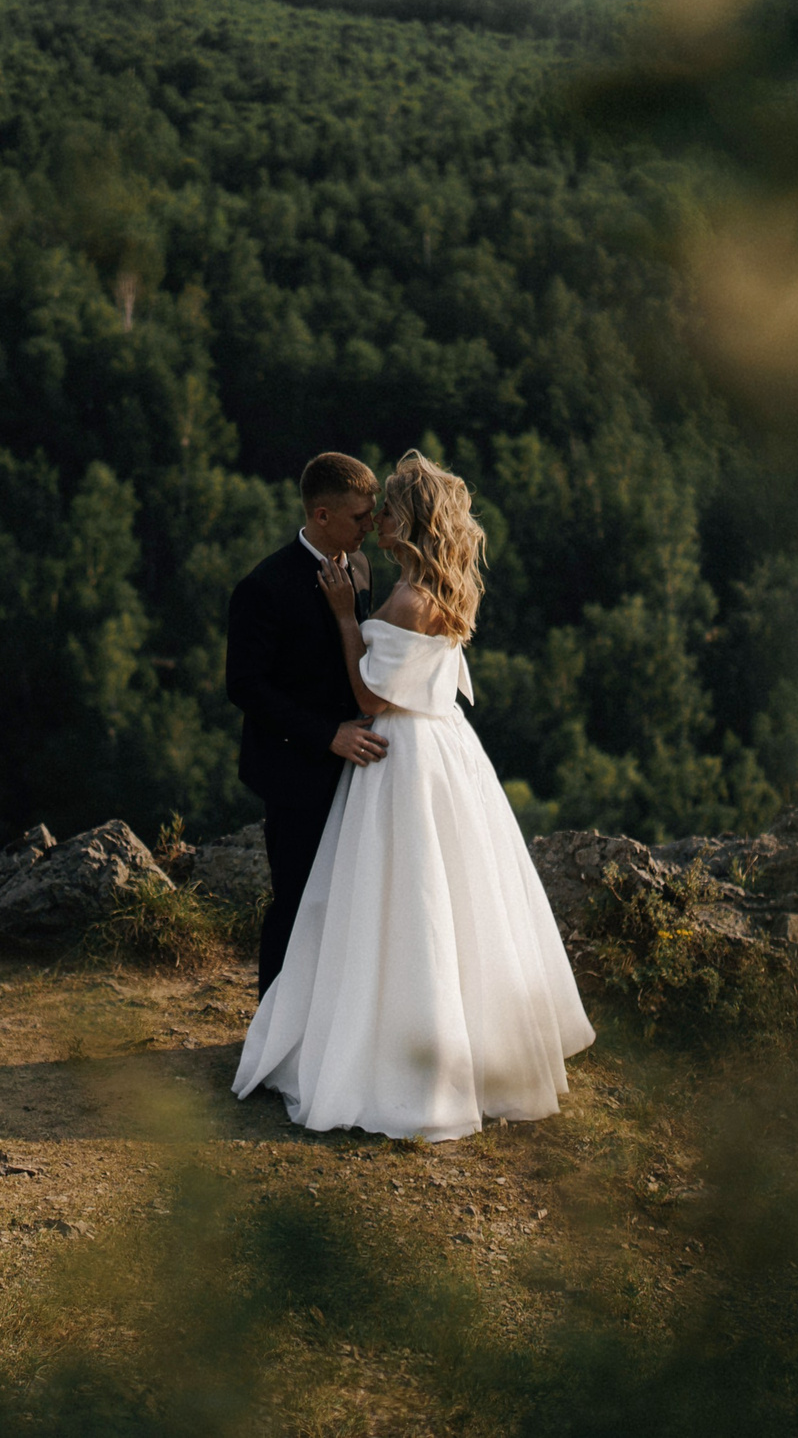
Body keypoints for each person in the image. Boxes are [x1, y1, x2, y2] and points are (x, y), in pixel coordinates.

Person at [232, 450, 594, 1142]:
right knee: (451, 900)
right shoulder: (442, 585)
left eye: (386, 512)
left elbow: (370, 693)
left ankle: (383, 1053)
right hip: (442, 747)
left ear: (410, 521)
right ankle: (457, 1044)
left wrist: (344, 618)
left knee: (395, 902)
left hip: (400, 753)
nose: (376, 524)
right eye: (369, 513)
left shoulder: (398, 595)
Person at [226, 451, 389, 996]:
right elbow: (245, 686)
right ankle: (271, 1034)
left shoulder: (362, 567)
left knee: (350, 899)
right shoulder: (263, 587)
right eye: (359, 517)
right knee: (295, 900)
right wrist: (327, 734)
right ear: (322, 516)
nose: (371, 525)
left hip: (359, 767)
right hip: (295, 771)